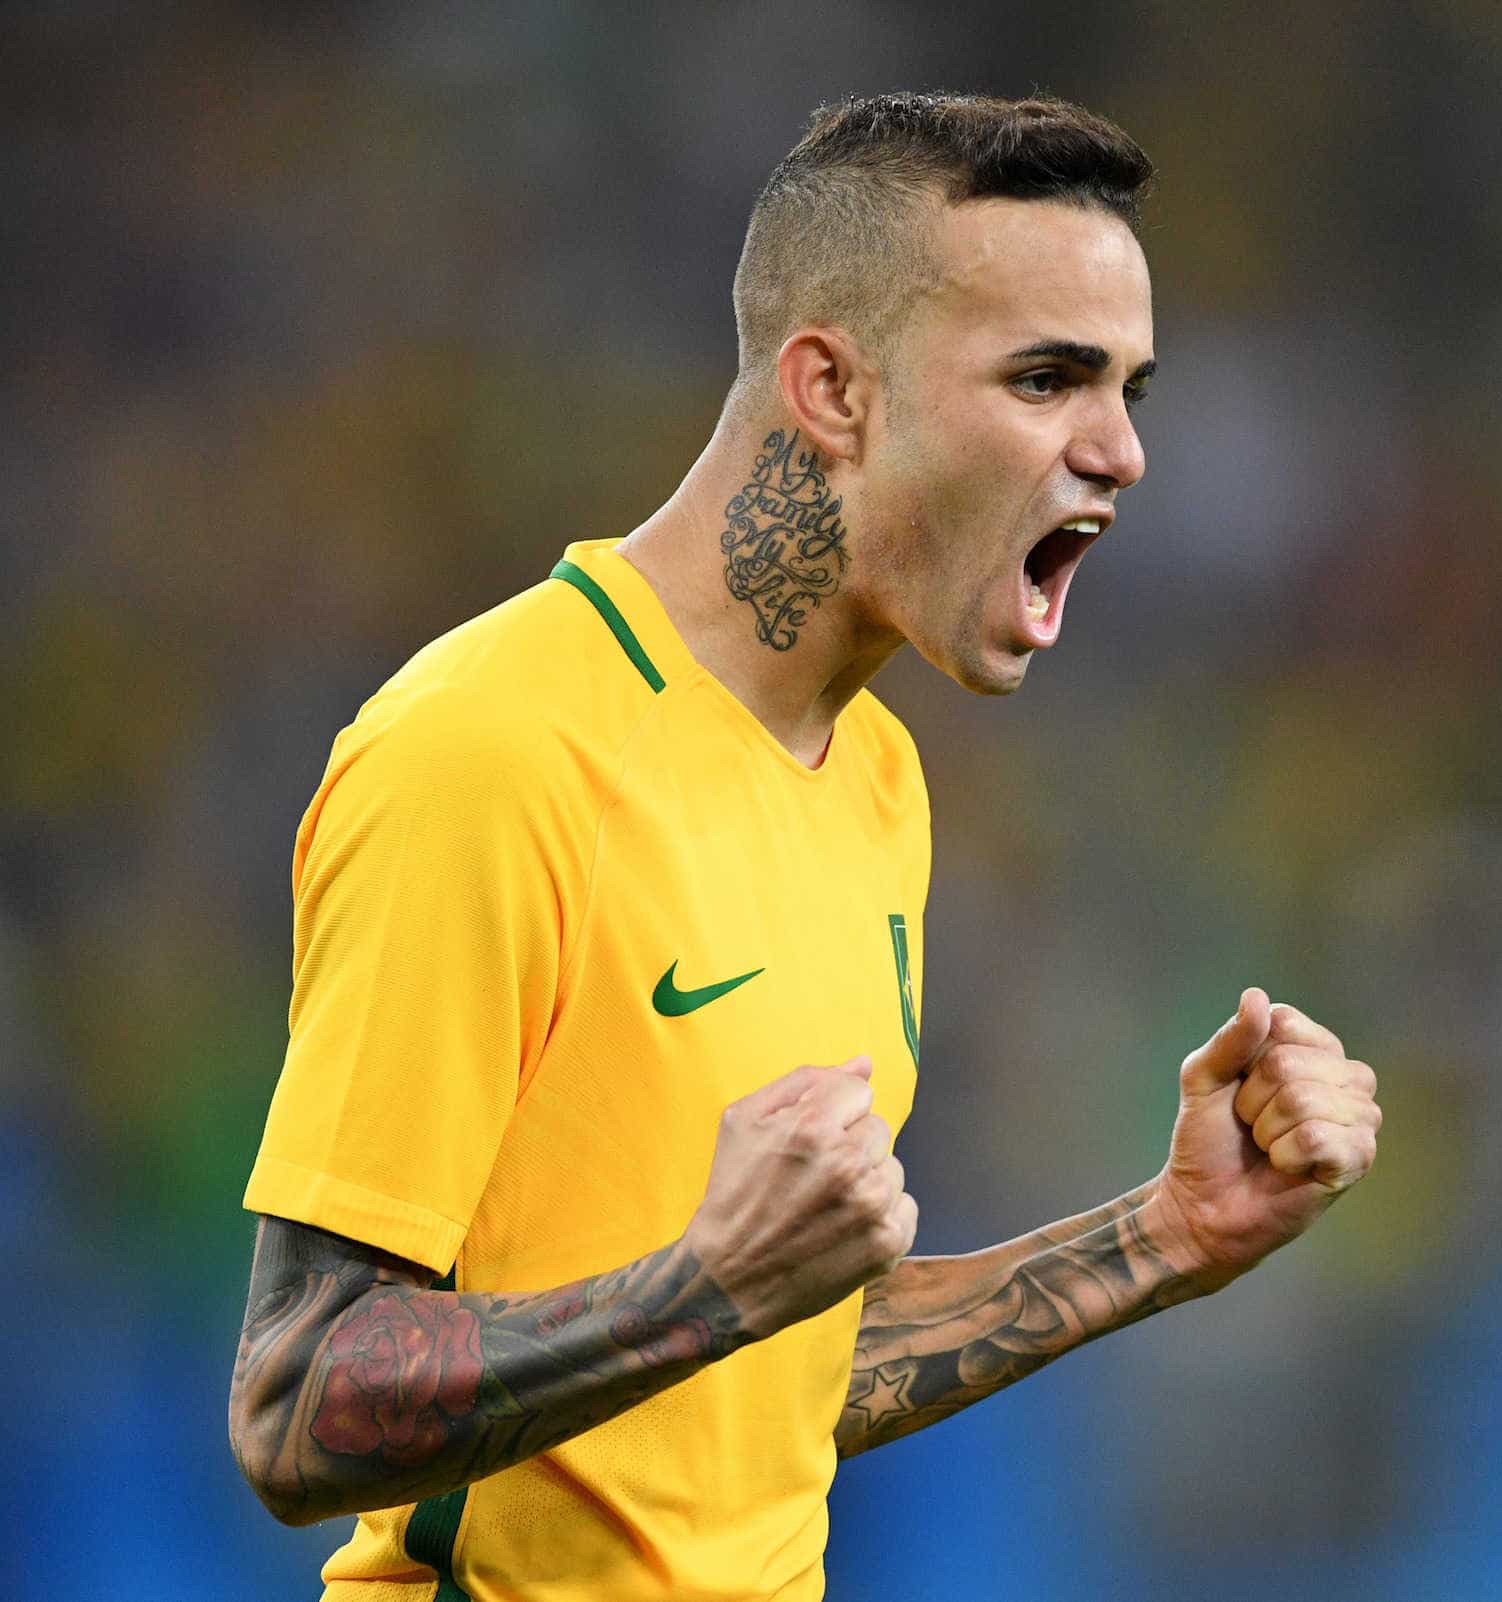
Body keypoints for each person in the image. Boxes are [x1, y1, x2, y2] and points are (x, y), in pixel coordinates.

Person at [226, 92, 1384, 1601]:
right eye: (1049, 379)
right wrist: (703, 1284)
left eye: (1131, 392)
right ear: (833, 390)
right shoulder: (490, 749)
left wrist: (1163, 1235)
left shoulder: (878, 778)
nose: (1121, 451)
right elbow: (296, 1397)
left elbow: (749, 1380)